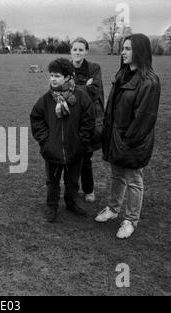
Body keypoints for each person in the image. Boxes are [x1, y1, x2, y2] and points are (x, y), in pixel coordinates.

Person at [95, 34, 161, 239]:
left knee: (133, 179)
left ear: (140, 52)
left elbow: (144, 118)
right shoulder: (122, 74)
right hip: (115, 136)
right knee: (116, 175)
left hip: (133, 141)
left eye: (128, 49)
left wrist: (127, 142)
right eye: (123, 48)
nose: (122, 52)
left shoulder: (149, 81)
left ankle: (131, 220)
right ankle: (113, 209)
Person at [30, 58, 95, 223]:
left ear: (67, 77)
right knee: (52, 181)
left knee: (72, 180)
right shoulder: (46, 99)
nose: (52, 79)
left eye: (57, 76)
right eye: (51, 75)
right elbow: (36, 119)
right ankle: (52, 206)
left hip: (75, 149)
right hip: (53, 150)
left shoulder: (81, 97)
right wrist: (45, 141)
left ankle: (71, 203)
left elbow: (89, 121)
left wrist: (81, 142)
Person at [70, 37, 105, 203]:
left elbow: (94, 92)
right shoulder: (66, 67)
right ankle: (73, 188)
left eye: (80, 50)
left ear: (86, 52)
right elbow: (58, 90)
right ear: (71, 51)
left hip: (88, 120)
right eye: (75, 49)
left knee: (85, 157)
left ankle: (89, 190)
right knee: (71, 156)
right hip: (70, 119)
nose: (77, 52)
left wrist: (72, 89)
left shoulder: (94, 68)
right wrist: (84, 87)